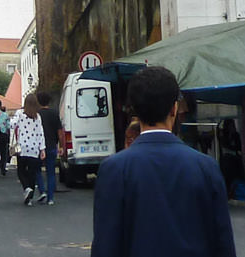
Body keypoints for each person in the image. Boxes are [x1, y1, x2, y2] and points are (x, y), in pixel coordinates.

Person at [91, 65, 236, 257]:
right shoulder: (205, 167)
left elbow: (105, 245)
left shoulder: (114, 169)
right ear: (174, 108)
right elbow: (223, 243)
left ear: (134, 110)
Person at [13, 93, 48, 205]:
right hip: (34, 148)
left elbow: (12, 124)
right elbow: (40, 133)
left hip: (23, 147)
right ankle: (30, 197)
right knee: (32, 173)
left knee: (21, 171)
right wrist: (42, 149)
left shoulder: (20, 113)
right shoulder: (38, 117)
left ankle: (27, 188)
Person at [38, 90, 62, 205]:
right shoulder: (54, 113)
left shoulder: (36, 114)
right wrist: (61, 145)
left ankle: (42, 191)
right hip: (52, 145)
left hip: (38, 147)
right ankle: (51, 198)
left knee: (37, 170)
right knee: (51, 172)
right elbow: (60, 131)